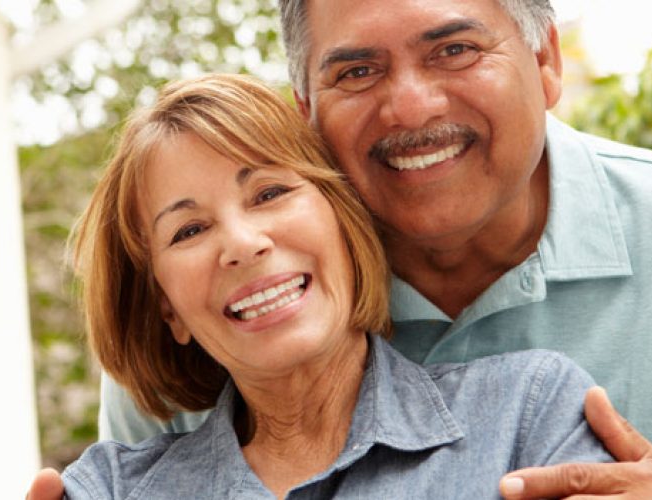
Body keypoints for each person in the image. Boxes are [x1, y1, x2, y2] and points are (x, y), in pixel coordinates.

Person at [30, 0, 652, 498]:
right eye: (357, 71)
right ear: (306, 113)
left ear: (546, 61)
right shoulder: (242, 298)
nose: (409, 107)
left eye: (454, 48)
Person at [59, 73, 612, 499]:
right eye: (190, 230)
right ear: (167, 308)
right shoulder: (114, 487)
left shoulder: (529, 413)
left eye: (269, 193)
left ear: (342, 220)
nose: (243, 244)